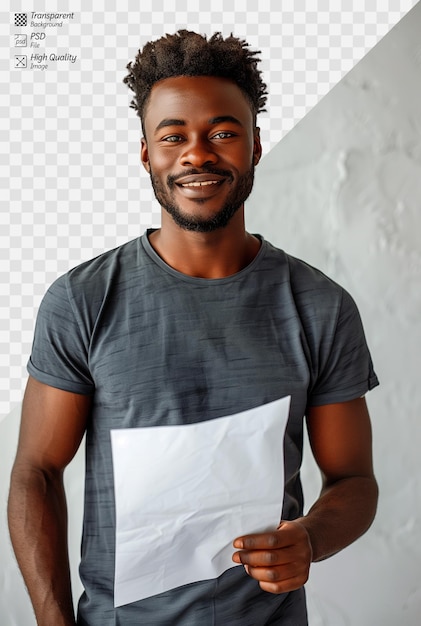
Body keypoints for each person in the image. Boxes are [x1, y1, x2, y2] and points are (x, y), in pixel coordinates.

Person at [8, 30, 379, 626]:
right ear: (146, 152)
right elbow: (36, 470)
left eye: (223, 133)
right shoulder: (82, 299)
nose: (197, 154)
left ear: (255, 146)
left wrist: (309, 539)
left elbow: (354, 479)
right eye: (173, 136)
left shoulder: (320, 306)